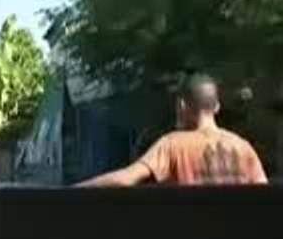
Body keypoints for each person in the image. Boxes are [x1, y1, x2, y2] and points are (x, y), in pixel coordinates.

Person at [77, 73, 268, 187]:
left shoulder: (172, 144)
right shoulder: (244, 148)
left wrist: (78, 188)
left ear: (182, 106)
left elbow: (126, 179)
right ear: (216, 106)